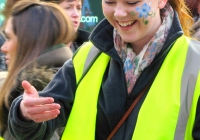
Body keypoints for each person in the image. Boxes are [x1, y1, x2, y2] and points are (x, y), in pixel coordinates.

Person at [8, 0, 200, 139]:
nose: (118, 13)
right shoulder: (87, 56)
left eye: (132, 2)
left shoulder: (195, 63)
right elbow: (37, 129)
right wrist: (25, 114)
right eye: (109, 1)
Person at [0, 0, 74, 139]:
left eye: (9, 38)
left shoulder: (38, 93)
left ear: (29, 41)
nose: (3, 47)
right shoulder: (61, 81)